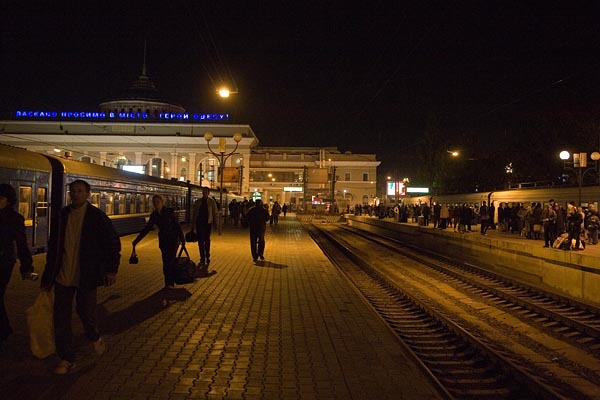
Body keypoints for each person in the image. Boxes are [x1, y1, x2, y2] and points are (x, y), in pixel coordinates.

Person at [41, 179, 121, 374]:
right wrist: (47, 278)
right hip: (62, 276)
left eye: (79, 191)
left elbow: (112, 244)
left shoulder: (97, 217)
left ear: (87, 194)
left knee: (86, 313)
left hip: (87, 275)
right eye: (72, 191)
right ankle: (66, 358)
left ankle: (93, 335)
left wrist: (111, 270)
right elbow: (54, 248)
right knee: (61, 319)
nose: (75, 194)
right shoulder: (62, 216)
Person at [0, 184, 37, 346]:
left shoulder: (14, 219)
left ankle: (4, 331)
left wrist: (26, 267)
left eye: (0, 198)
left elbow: (22, 245)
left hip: (4, 262)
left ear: (8, 200)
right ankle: (5, 329)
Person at [132, 194, 184, 289]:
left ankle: (170, 283)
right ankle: (167, 283)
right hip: (163, 241)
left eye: (158, 202)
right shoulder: (154, 215)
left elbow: (177, 226)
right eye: (154, 202)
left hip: (173, 240)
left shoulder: (169, 212)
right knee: (165, 262)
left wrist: (182, 239)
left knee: (170, 261)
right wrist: (136, 240)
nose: (156, 204)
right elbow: (147, 229)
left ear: (162, 202)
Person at [190, 187, 219, 267]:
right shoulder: (198, 202)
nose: (204, 193)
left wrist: (216, 224)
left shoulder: (212, 202)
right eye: (203, 192)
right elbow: (194, 213)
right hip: (199, 224)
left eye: (206, 192)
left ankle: (207, 255)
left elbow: (215, 213)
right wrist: (192, 224)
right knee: (200, 241)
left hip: (208, 224)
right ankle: (202, 258)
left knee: (207, 240)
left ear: (208, 193)